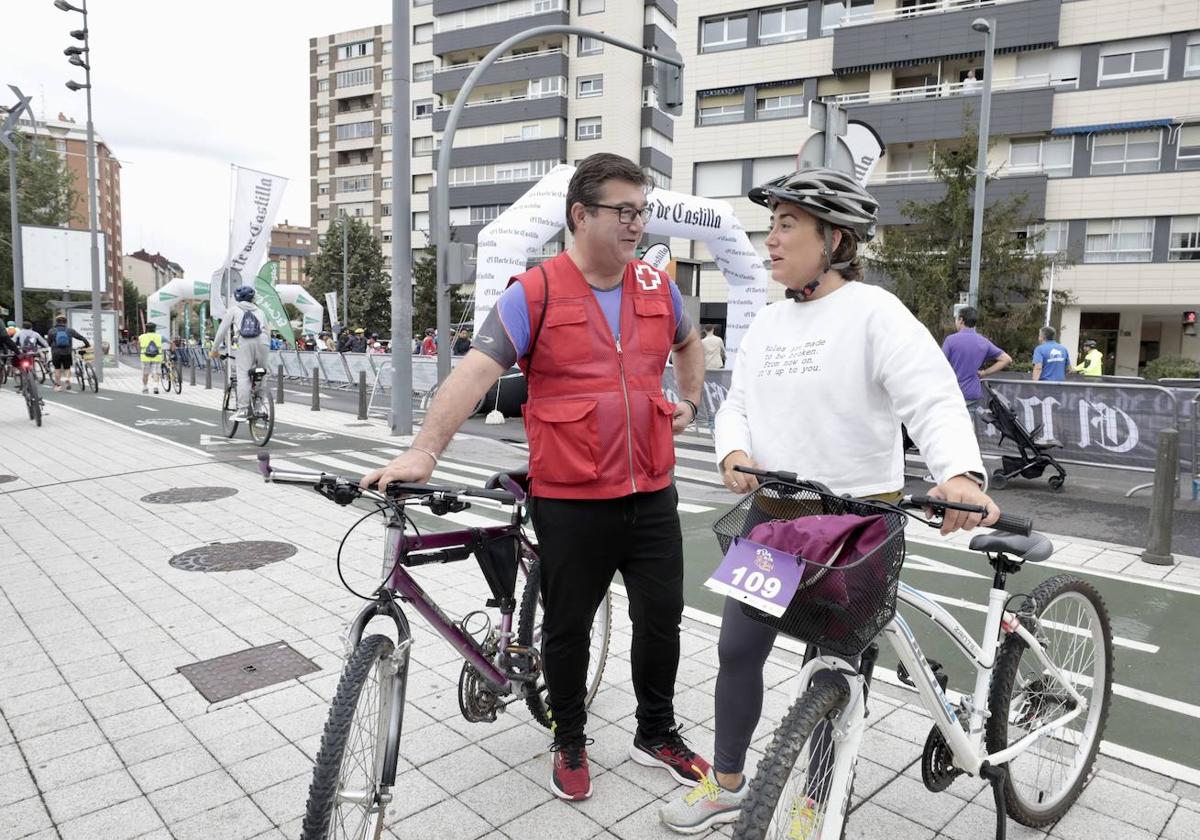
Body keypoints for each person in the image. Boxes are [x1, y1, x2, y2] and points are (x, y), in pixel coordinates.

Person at [659, 167, 999, 834]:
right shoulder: (768, 321)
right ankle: (728, 782)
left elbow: (930, 397)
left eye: (787, 225)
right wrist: (733, 451)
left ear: (835, 238)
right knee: (737, 649)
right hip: (775, 519)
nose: (772, 239)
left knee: (834, 669)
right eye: (772, 224)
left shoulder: (876, 313)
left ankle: (813, 803)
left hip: (856, 526)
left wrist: (960, 473)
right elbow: (742, 404)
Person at [362, 153, 710, 803]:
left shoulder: (656, 290)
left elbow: (690, 344)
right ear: (581, 215)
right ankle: (570, 739)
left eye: (643, 211)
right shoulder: (537, 292)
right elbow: (474, 372)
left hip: (652, 490)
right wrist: (424, 453)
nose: (638, 224)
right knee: (567, 627)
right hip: (573, 497)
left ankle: (656, 732)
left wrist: (687, 403)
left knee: (662, 618)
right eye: (624, 211)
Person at [210, 286, 270, 420]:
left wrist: (214, 350)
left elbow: (222, 331)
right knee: (262, 374)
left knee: (243, 375)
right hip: (263, 342)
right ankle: (260, 407)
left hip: (245, 342)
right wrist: (267, 346)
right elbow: (268, 330)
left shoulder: (234, 310)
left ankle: (243, 410)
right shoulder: (260, 311)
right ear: (253, 297)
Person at [941, 306, 1011, 410]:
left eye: (956, 319)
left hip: (953, 393)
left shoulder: (950, 340)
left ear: (961, 320)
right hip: (972, 393)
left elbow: (940, 365)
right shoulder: (983, 342)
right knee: (970, 425)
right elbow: (1006, 359)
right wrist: (985, 373)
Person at [47, 315, 91, 393]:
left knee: (57, 369)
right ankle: (67, 380)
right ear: (65, 322)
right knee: (67, 368)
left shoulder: (52, 331)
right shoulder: (69, 330)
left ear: (56, 322)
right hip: (67, 352)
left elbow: (49, 342)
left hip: (56, 353)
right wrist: (87, 344)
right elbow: (80, 337)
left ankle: (58, 386)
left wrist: (53, 347)